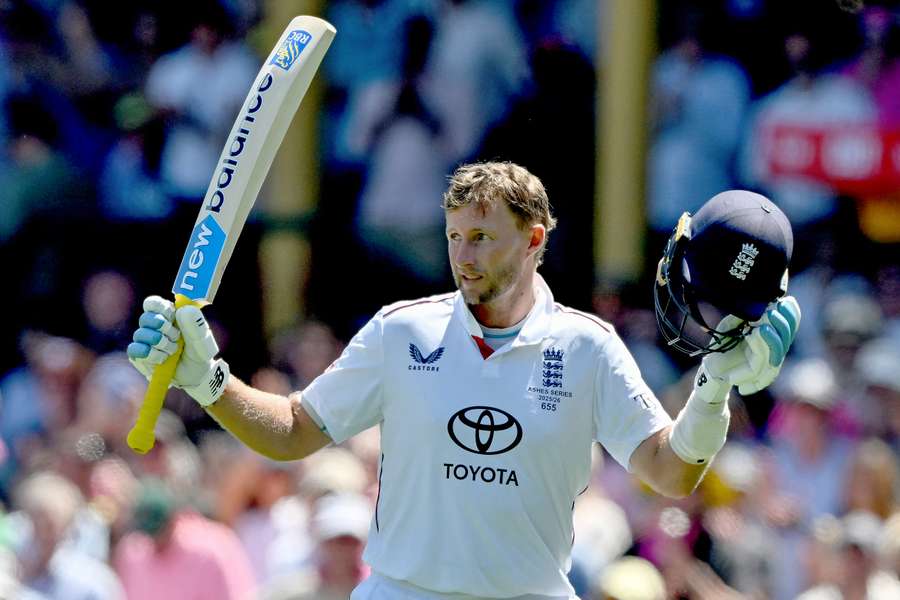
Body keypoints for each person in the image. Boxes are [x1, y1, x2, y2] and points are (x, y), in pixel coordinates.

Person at [128, 162, 800, 599]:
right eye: (454, 235)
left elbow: (672, 474)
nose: (462, 255)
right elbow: (294, 433)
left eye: (482, 236)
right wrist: (208, 380)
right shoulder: (400, 332)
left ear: (535, 241)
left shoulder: (587, 347)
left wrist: (713, 389)